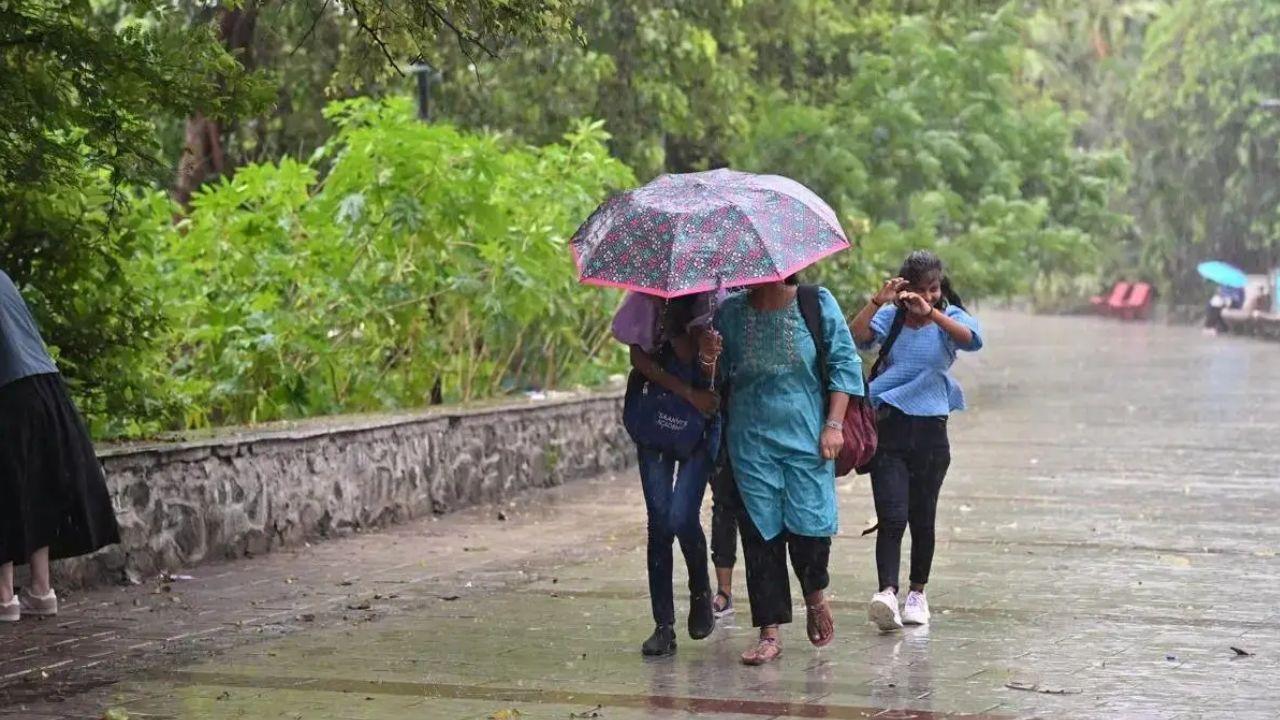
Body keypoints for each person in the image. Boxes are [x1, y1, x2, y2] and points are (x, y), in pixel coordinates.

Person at [706, 276, 862, 665]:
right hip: (750, 441)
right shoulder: (729, 313)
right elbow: (718, 378)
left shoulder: (815, 303)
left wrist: (835, 424)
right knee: (760, 533)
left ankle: (815, 597)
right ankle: (769, 631)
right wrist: (708, 357)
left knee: (810, 526)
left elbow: (846, 363)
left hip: (807, 436)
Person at [850, 251, 983, 632]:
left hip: (930, 431)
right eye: (920, 289)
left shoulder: (949, 319)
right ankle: (886, 594)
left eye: (935, 288)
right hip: (888, 425)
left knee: (923, 518)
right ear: (906, 287)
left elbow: (972, 340)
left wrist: (932, 313)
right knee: (892, 516)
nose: (928, 294)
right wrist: (879, 300)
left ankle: (917, 595)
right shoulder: (891, 318)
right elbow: (856, 339)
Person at [1, 269, 121, 622]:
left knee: (5, 491)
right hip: (47, 389)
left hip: (7, 390)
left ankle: (5, 598)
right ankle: (42, 591)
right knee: (34, 488)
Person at [619, 293, 721, 657]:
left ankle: (700, 592)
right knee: (659, 523)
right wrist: (685, 391)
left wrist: (708, 358)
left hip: (699, 430)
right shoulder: (647, 299)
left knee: (681, 517)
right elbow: (637, 356)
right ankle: (664, 625)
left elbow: (718, 379)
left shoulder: (719, 301)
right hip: (656, 421)